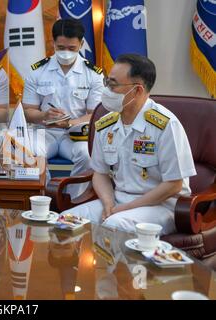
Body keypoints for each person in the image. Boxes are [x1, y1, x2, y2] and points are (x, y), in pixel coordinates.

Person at [62, 54, 196, 235]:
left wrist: (126, 208)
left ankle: (117, 264)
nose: (106, 90)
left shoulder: (165, 125)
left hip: (162, 206)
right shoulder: (106, 124)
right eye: (106, 82)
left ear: (137, 90)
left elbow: (174, 185)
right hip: (117, 201)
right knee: (64, 222)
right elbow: (99, 173)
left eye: (113, 84)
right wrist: (108, 203)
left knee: (114, 226)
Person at [23, 18, 104, 198]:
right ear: (53, 43)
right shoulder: (37, 71)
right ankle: (45, 198)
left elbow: (95, 115)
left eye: (72, 48)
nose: (65, 52)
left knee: (89, 154)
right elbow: (28, 111)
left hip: (76, 135)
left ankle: (73, 201)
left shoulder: (93, 74)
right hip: (45, 132)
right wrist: (44, 115)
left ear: (81, 44)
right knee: (29, 150)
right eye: (60, 48)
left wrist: (69, 123)